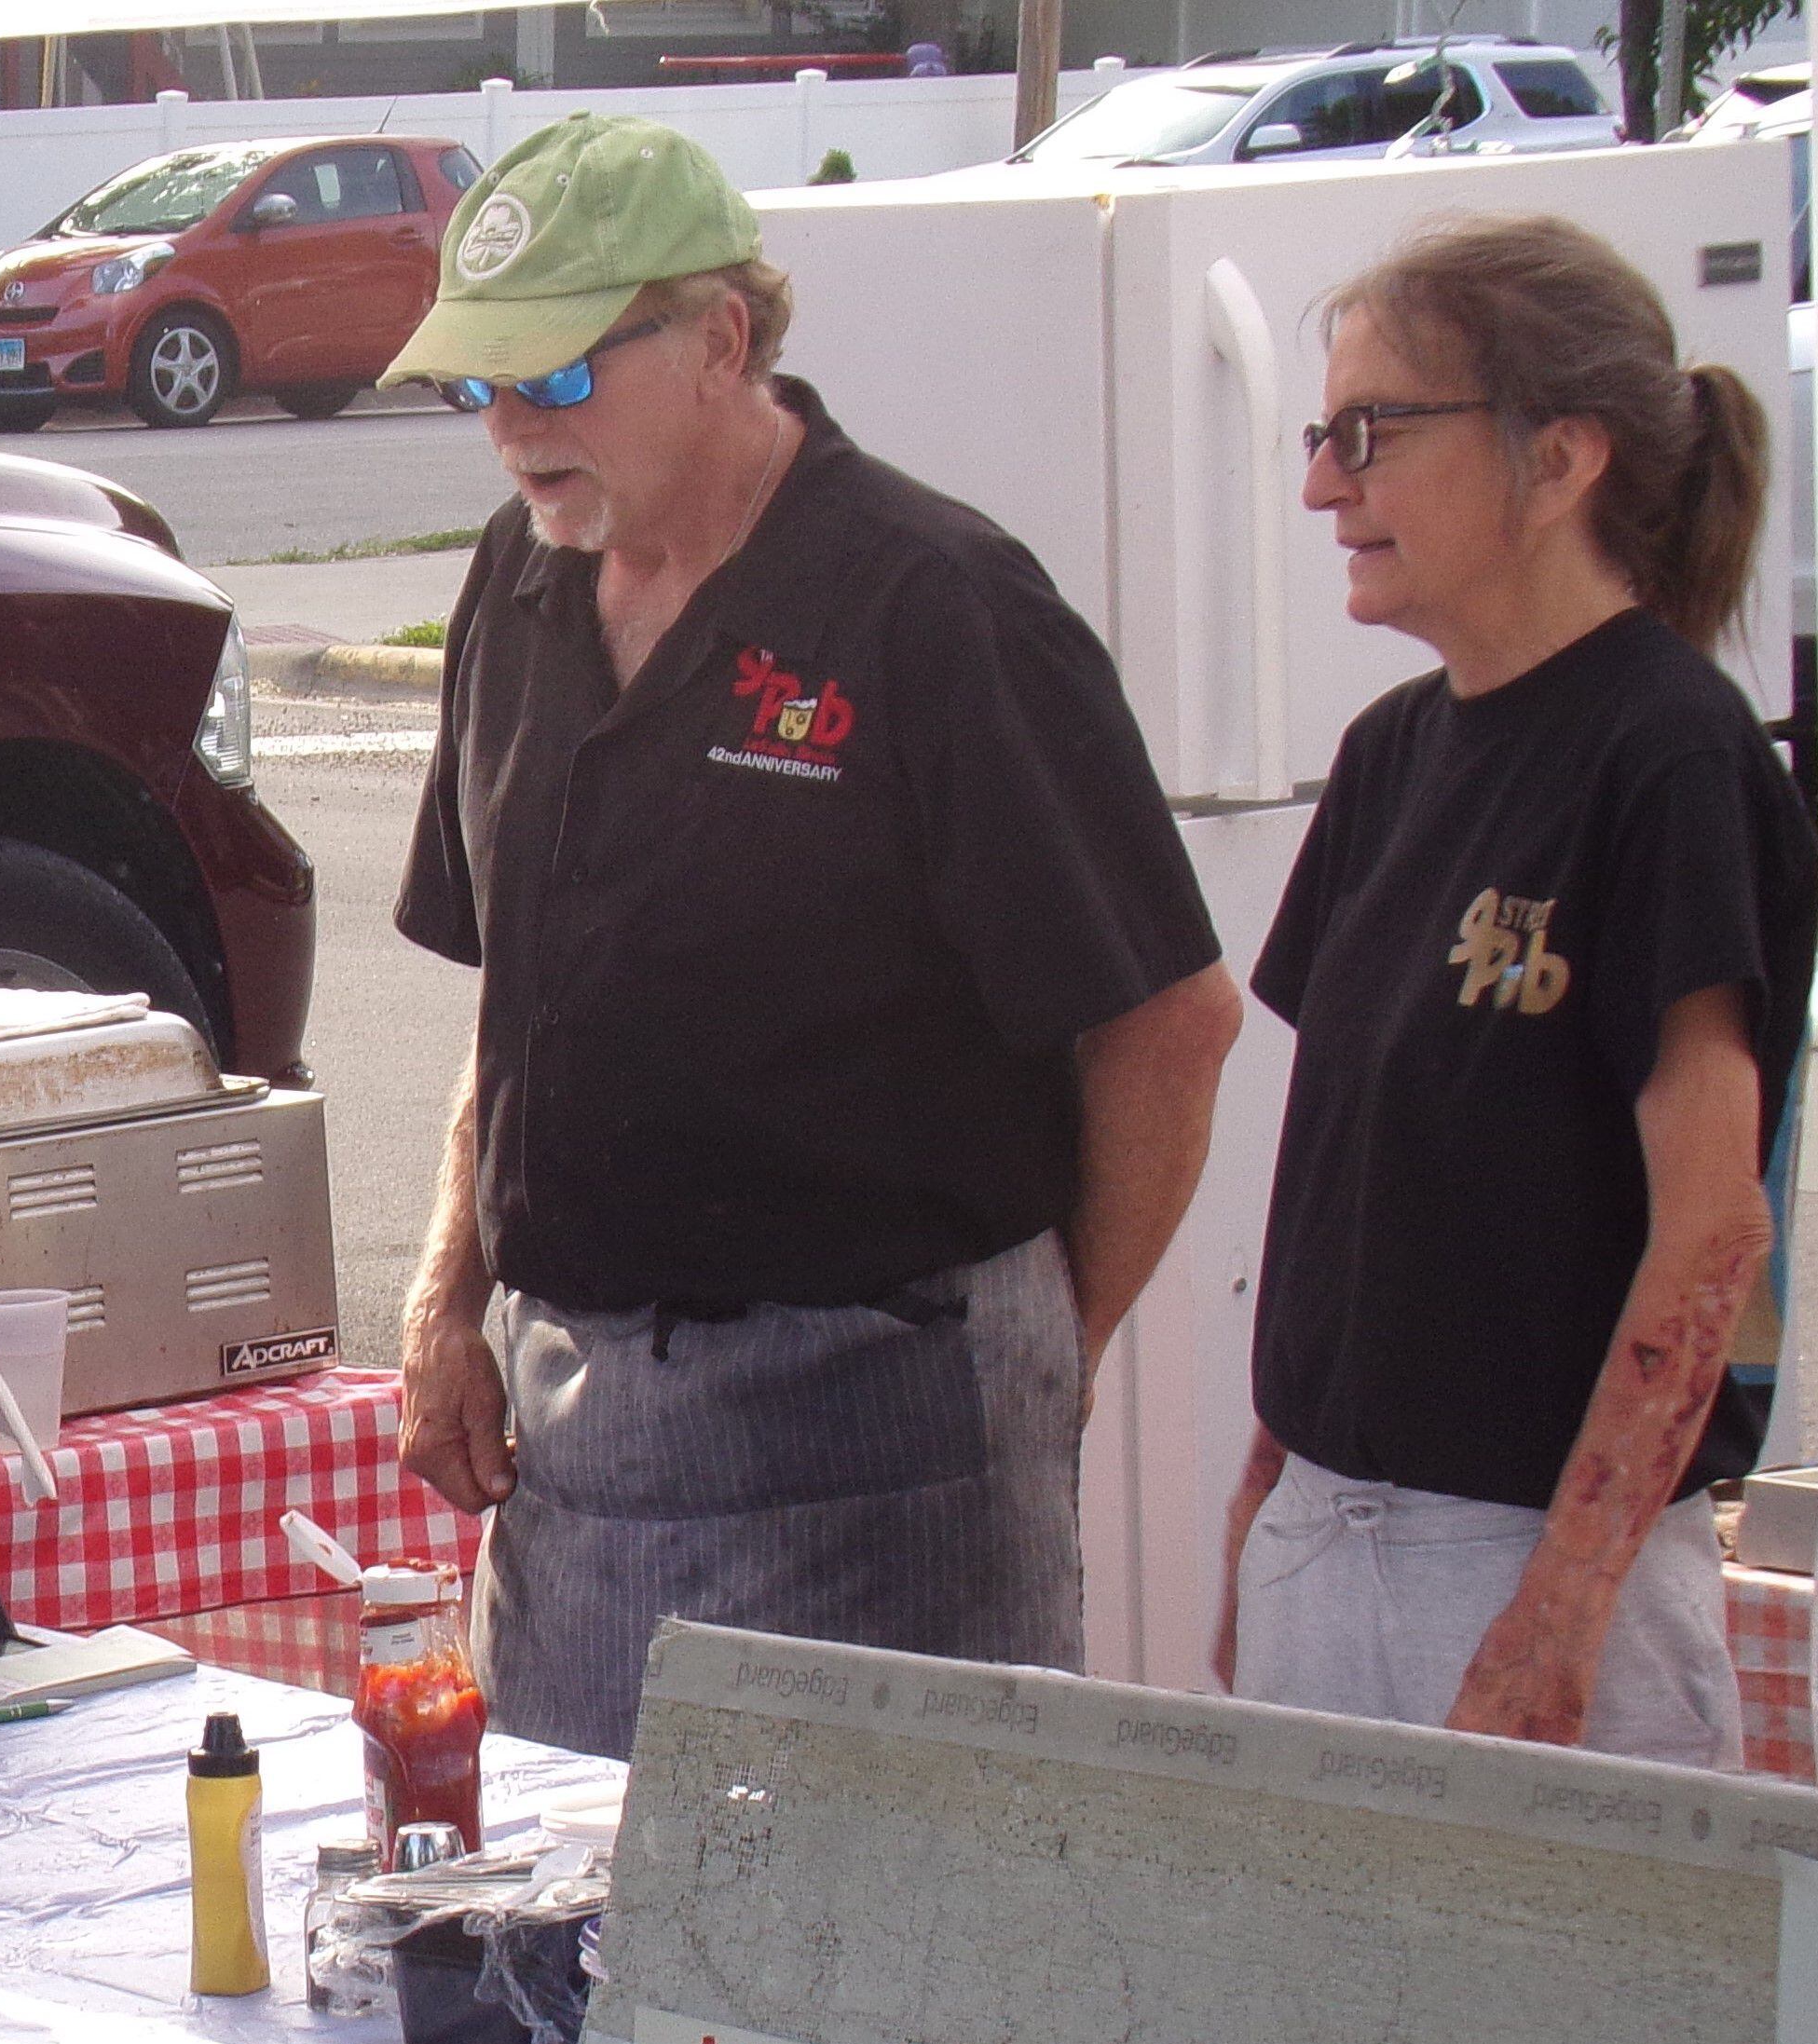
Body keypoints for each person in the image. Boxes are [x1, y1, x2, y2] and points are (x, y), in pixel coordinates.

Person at [385, 114, 1242, 1762]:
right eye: (471, 385)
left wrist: (1038, 1363)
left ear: (721, 339)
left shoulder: (936, 604)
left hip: (883, 1430)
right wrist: (445, 1301)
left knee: (888, 1973)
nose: (506, 429)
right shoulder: (516, 580)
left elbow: (1167, 1024)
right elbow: (528, 996)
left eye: (551, 378)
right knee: (580, 1963)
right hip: (581, 1445)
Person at [1215, 213, 1816, 1765]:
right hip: (1325, 1536)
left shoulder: (1671, 755)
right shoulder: (1387, 754)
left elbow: (1712, 1228)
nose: (1318, 486)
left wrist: (1558, 1614)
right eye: (1317, 434)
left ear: (1559, 462)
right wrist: (1258, 1495)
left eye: (1370, 433)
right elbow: (1352, 1177)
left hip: (1532, 1564)